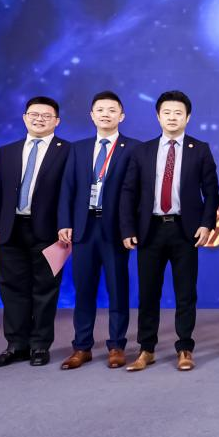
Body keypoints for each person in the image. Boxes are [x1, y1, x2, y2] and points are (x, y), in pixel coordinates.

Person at [119, 90, 219, 372]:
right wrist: (127, 228)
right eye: (167, 113)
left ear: (188, 117)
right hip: (149, 230)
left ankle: (185, 348)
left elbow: (212, 192)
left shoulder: (200, 149)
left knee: (185, 293)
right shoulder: (143, 150)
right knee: (148, 292)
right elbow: (128, 192)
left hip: (185, 231)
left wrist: (206, 224)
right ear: (158, 116)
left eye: (178, 113)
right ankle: (146, 349)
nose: (172, 117)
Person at [0, 96, 71, 368]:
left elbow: (71, 193)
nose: (39, 119)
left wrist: (66, 224)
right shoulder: (6, 151)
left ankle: (40, 345)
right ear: (24, 117)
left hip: (50, 233)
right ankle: (16, 345)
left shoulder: (68, 151)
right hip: (11, 229)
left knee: (45, 289)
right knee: (12, 289)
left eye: (46, 115)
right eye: (34, 114)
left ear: (57, 121)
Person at [56, 91, 138, 370]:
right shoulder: (77, 149)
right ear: (92, 115)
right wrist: (64, 222)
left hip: (115, 229)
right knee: (84, 290)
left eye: (112, 110)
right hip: (84, 227)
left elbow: (137, 192)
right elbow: (67, 188)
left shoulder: (133, 148)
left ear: (121, 116)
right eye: (100, 110)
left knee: (118, 288)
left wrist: (130, 228)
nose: (106, 114)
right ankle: (82, 347)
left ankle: (116, 346)